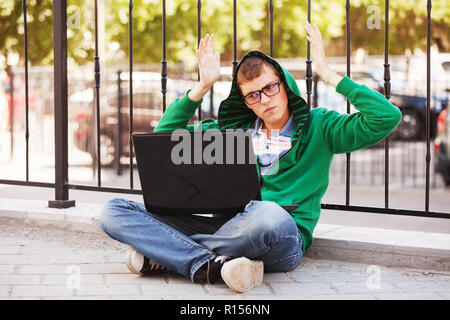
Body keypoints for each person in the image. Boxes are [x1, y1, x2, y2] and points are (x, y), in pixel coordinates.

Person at [99, 21, 402, 293]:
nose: (265, 100)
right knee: (113, 211)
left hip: (282, 237)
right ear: (245, 101)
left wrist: (328, 73)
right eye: (253, 95)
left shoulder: (321, 126)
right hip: (225, 229)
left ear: (285, 84)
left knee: (267, 213)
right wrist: (202, 86)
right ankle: (210, 264)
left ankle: (168, 255)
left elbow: (385, 117)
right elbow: (163, 138)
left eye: (270, 87)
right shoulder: (230, 133)